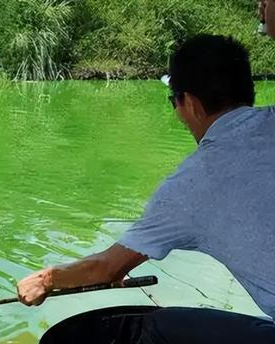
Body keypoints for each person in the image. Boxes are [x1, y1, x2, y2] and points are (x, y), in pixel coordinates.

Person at [17, 34, 275, 343]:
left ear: (189, 103)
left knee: (139, 330)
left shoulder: (191, 185)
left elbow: (103, 268)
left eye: (173, 100)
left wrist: (46, 280)